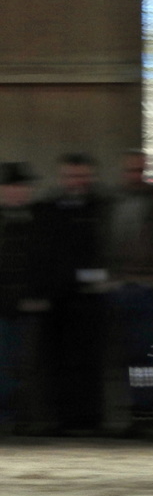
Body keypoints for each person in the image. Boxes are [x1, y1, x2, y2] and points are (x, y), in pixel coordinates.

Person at [105, 149, 153, 437]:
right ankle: (141, 414)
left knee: (149, 356)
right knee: (132, 357)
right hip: (122, 289)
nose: (134, 175)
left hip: (148, 291)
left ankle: (152, 414)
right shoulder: (116, 203)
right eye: (130, 170)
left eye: (139, 170)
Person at [39, 153, 110, 434]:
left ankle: (89, 420)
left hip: (92, 299)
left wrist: (94, 278)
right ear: (62, 178)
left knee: (89, 362)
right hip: (58, 299)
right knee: (58, 362)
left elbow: (106, 251)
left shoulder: (100, 209)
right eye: (71, 176)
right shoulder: (49, 210)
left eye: (82, 176)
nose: (77, 182)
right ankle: (62, 420)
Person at [0, 163, 50, 433]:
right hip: (6, 307)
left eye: (23, 187)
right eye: (14, 187)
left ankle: (25, 417)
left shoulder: (39, 222)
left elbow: (46, 264)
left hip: (30, 306)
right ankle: (8, 417)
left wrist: (40, 296)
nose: (19, 192)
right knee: (6, 365)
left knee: (28, 366)